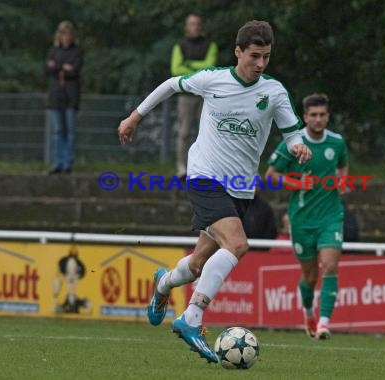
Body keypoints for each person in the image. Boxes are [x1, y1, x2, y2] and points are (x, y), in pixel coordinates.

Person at [118, 20, 311, 363]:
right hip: (204, 176)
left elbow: (292, 130)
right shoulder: (213, 80)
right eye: (254, 56)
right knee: (237, 244)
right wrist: (136, 115)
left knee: (197, 264)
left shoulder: (274, 92)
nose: (261, 64)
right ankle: (191, 317)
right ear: (238, 52)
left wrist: (297, 147)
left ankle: (163, 283)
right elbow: (171, 85)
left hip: (240, 189)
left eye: (266, 56)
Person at [266, 93, 349, 340]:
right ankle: (308, 312)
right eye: (313, 115)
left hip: (331, 216)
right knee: (310, 276)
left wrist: (342, 181)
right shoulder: (293, 143)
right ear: (305, 117)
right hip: (302, 220)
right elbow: (271, 174)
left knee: (331, 265)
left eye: (322, 115)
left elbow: (343, 166)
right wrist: (296, 181)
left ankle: (324, 323)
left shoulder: (337, 142)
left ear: (328, 116)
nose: (318, 119)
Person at [171, 14, 218, 178]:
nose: (195, 27)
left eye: (198, 24)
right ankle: (181, 167)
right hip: (186, 96)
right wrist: (199, 68)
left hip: (204, 95)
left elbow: (210, 67)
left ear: (201, 26)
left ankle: (205, 167)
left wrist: (189, 64)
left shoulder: (210, 45)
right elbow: (176, 69)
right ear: (187, 26)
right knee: (184, 132)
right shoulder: (179, 46)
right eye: (192, 24)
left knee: (206, 132)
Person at [46, 20, 83, 174]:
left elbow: (74, 70)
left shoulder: (77, 51)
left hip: (71, 96)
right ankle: (57, 163)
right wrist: (64, 68)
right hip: (55, 97)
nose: (65, 37)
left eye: (68, 34)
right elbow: (48, 68)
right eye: (63, 34)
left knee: (70, 131)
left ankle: (68, 163)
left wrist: (58, 67)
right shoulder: (54, 50)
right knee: (58, 131)